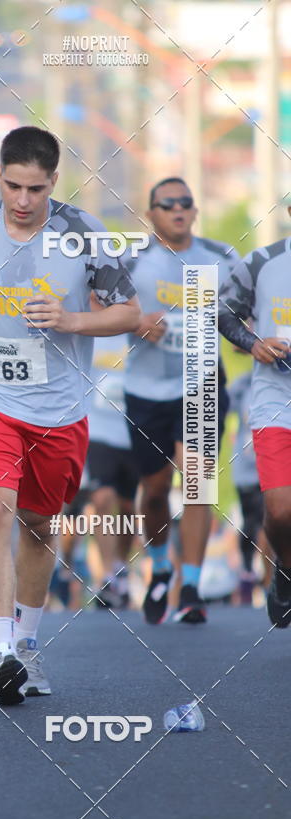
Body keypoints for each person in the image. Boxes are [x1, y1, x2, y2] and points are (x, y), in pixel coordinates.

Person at [0, 125, 140, 704]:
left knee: (40, 526)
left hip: (59, 407)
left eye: (36, 189)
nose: (22, 202)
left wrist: (71, 320)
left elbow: (130, 313)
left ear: (54, 183)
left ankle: (26, 643)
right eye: (13, 186)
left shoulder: (84, 235)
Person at [123, 177, 239, 625]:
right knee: (154, 490)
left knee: (198, 481)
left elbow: (241, 309)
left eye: (185, 203)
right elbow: (99, 305)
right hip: (148, 389)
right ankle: (161, 565)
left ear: (194, 211)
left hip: (202, 383)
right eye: (167, 204)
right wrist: (134, 322)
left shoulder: (222, 258)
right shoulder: (132, 260)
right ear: (150, 213)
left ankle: (190, 586)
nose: (177, 209)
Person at [218, 234, 291, 627]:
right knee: (280, 512)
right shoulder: (263, 261)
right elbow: (224, 311)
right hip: (276, 402)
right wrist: (253, 343)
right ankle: (286, 567)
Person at [85, 329, 139, 610]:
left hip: (133, 432)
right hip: (98, 430)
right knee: (102, 498)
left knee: (129, 506)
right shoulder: (92, 328)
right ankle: (107, 574)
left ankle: (120, 564)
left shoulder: (138, 328)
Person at [228, 369, 267, 604]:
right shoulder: (243, 384)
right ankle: (247, 570)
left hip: (274, 465)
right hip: (245, 467)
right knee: (250, 522)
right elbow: (219, 407)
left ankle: (271, 576)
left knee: (269, 517)